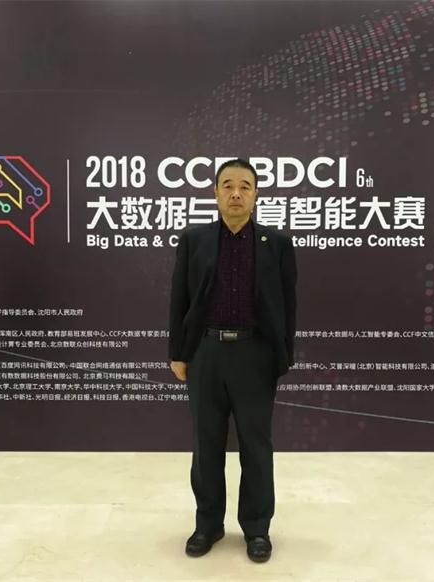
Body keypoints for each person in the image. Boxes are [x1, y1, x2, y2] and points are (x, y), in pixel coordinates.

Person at [168, 157, 297, 563]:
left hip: (255, 354)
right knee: (205, 444)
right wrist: (178, 353)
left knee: (256, 446)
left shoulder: (277, 243)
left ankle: (257, 528)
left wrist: (283, 355)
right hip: (205, 353)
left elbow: (288, 304)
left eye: (245, 186)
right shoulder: (195, 240)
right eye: (228, 185)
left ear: (256, 194)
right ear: (216, 192)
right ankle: (207, 524)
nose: (236, 193)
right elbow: (179, 299)